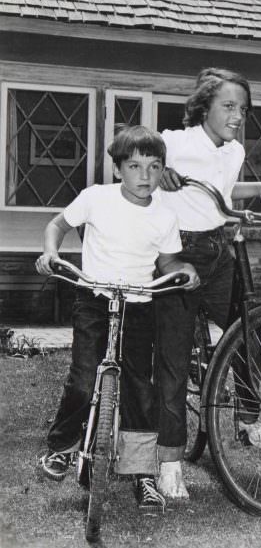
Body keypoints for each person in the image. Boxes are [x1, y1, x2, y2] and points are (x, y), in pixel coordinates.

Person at [36, 125, 199, 510]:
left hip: (140, 304)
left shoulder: (164, 214)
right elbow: (57, 225)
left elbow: (168, 260)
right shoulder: (96, 198)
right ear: (117, 169)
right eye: (135, 166)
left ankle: (143, 474)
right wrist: (50, 253)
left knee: (141, 389)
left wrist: (184, 269)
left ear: (163, 172)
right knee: (83, 376)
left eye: (154, 167)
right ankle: (62, 446)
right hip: (94, 297)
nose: (145, 176)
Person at [152, 67, 261, 499]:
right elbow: (130, 160)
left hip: (218, 252)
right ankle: (169, 461)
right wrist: (158, 173)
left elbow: (218, 190)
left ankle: (246, 417)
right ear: (203, 107)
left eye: (242, 108)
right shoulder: (173, 141)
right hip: (177, 254)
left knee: (249, 333)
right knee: (172, 357)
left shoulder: (234, 151)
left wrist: (255, 186)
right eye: (228, 106)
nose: (237, 115)